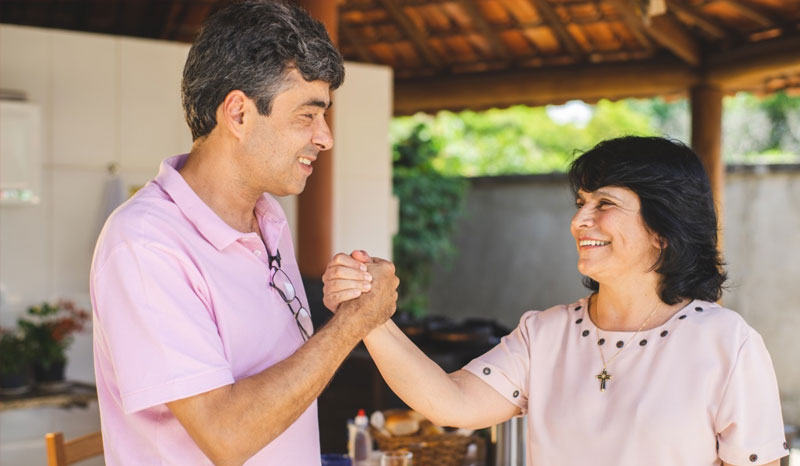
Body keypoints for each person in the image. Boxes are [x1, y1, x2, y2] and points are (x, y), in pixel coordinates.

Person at [323, 136, 789, 466]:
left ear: (662, 230)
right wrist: (370, 316)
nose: (580, 220)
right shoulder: (546, 333)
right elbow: (451, 402)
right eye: (581, 202)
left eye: (605, 204)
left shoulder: (725, 342)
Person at [90, 1, 397, 464]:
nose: (325, 137)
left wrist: (347, 302)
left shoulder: (268, 221)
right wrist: (352, 323)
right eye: (307, 115)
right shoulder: (145, 243)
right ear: (237, 114)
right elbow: (227, 435)